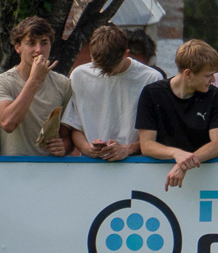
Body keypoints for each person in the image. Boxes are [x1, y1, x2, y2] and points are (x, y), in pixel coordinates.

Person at [134, 39, 218, 188]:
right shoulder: (152, 93)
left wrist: (184, 163)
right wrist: (175, 153)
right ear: (188, 74)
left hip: (206, 180)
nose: (213, 79)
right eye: (207, 75)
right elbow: (147, 145)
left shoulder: (215, 96)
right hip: (157, 179)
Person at [65, 25, 163, 160]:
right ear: (91, 56)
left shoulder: (151, 79)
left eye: (111, 68)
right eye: (100, 67)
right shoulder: (79, 75)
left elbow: (159, 135)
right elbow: (75, 126)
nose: (107, 73)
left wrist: (127, 149)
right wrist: (86, 148)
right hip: (90, 166)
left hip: (136, 165)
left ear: (126, 54)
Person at [0, 15, 71, 156]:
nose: (38, 50)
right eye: (31, 43)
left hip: (49, 170)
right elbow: (7, 123)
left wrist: (64, 146)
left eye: (44, 43)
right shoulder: (4, 81)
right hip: (11, 169)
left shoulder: (63, 84)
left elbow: (68, 135)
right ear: (18, 47)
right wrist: (34, 80)